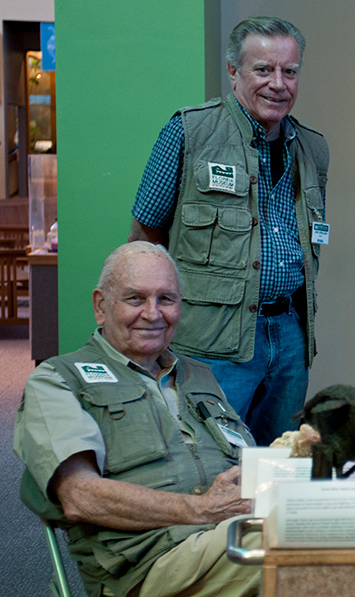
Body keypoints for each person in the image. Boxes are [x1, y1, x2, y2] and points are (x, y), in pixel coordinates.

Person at [14, 242, 259, 597]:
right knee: (307, 547)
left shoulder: (197, 375)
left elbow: (248, 461)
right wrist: (200, 510)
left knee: (346, 525)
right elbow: (80, 496)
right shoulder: (59, 379)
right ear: (101, 306)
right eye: (135, 299)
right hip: (149, 563)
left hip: (233, 533)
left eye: (166, 299)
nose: (153, 313)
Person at [129, 16, 329, 445]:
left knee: (280, 459)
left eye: (289, 71)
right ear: (233, 71)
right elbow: (144, 239)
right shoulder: (188, 131)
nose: (278, 83)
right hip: (213, 343)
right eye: (263, 70)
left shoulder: (313, 148)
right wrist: (150, 327)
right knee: (210, 461)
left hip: (290, 337)